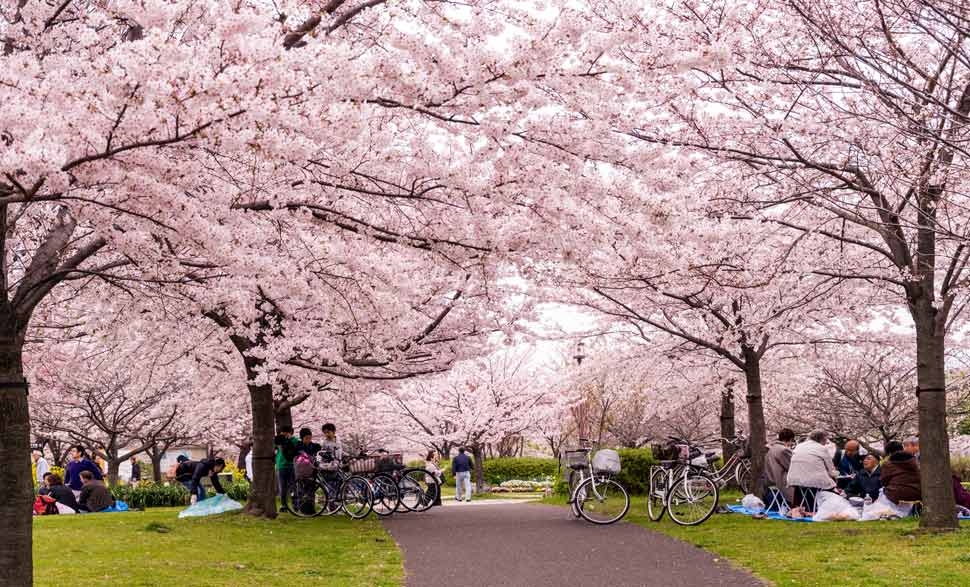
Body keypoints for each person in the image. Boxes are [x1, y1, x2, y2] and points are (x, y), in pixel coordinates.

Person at [786, 430, 837, 513]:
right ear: (822, 439)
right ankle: (827, 509)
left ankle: (801, 508)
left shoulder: (799, 446)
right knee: (831, 485)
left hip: (794, 479)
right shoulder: (822, 448)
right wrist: (835, 475)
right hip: (814, 481)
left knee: (805, 485)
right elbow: (831, 469)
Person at [880, 440, 921, 505]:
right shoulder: (914, 461)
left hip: (896, 495)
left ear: (889, 453)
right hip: (917, 494)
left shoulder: (888, 464)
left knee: (881, 491)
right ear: (902, 449)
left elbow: (884, 482)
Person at [764, 428, 796, 506]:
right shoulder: (784, 450)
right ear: (790, 439)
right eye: (792, 441)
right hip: (782, 481)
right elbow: (792, 467)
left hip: (771, 479)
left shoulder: (772, 448)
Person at [274, 425, 300, 500]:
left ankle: (295, 505)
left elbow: (295, 450)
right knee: (282, 487)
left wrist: (288, 440)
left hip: (291, 466)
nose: (284, 435)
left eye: (285, 433)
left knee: (293, 486)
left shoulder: (294, 440)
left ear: (290, 433)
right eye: (282, 434)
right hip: (280, 466)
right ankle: (283, 505)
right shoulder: (280, 440)